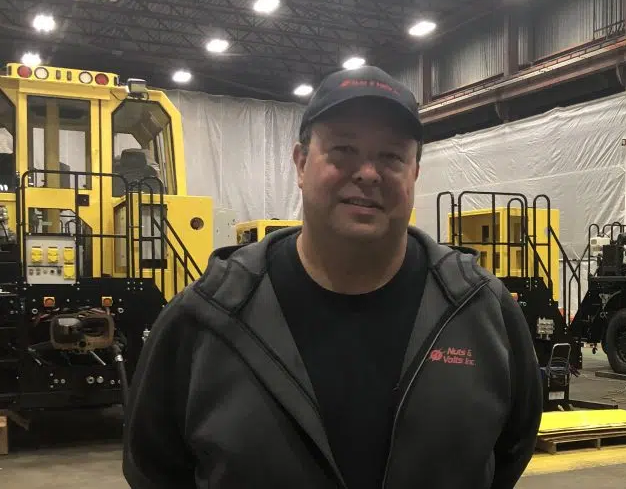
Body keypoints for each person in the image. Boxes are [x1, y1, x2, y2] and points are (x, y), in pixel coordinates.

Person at [122, 65, 544, 488]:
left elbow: (509, 451)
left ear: (414, 173)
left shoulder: (479, 311)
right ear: (301, 163)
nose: (367, 173)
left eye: (391, 156)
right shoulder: (208, 316)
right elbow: (153, 469)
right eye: (343, 149)